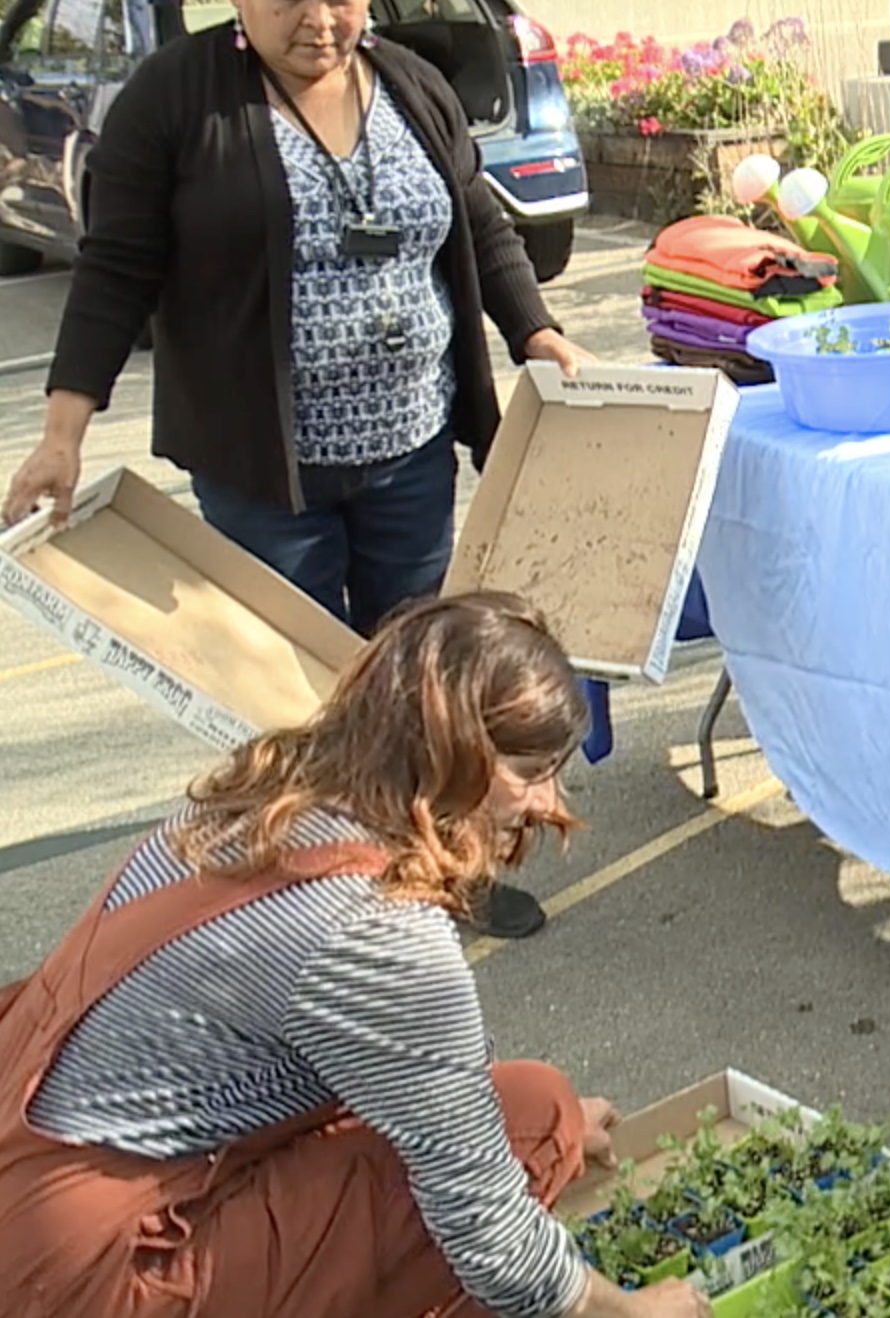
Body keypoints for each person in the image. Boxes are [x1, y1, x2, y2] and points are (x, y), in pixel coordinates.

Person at [0, 0, 597, 938]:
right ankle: (328, 897)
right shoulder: (175, 97)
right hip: (264, 470)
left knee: (421, 684)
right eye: (291, 0)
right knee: (300, 703)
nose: (320, 20)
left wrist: (540, 332)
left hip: (412, 451)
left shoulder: (409, 82)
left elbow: (476, 217)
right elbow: (116, 269)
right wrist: (64, 431)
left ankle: (438, 870)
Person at [0, 592, 711, 1318]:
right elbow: (492, 1239)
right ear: (449, 753)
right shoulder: (377, 931)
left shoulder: (263, 799)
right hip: (87, 1277)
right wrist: (630, 1309)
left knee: (532, 1115)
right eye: (529, 771)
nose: (546, 800)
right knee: (529, 1127)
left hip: (31, 1182)